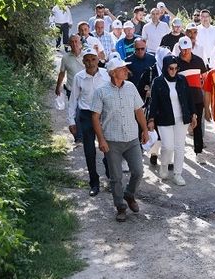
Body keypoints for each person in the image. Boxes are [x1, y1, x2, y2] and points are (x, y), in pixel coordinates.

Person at [91, 58, 149, 222]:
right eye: (122, 69)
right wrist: (101, 140)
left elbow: (139, 110)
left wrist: (144, 130)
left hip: (132, 139)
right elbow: (95, 117)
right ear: (113, 72)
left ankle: (129, 195)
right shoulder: (101, 91)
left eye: (125, 68)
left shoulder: (131, 87)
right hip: (112, 141)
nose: (126, 71)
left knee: (138, 171)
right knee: (116, 177)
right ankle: (120, 207)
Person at [148, 55, 198, 186]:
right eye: (170, 68)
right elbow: (153, 102)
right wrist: (151, 119)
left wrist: (193, 114)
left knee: (180, 146)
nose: (173, 71)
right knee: (167, 146)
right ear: (165, 67)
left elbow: (189, 98)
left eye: (176, 68)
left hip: (182, 119)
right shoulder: (158, 82)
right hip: (164, 119)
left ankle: (178, 174)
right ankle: (164, 166)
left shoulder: (182, 80)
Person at [68, 47, 110, 197]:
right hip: (86, 115)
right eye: (87, 60)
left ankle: (110, 176)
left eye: (93, 59)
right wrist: (71, 120)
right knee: (89, 150)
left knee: (107, 147)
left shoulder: (106, 74)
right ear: (83, 61)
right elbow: (73, 99)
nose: (90, 63)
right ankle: (94, 182)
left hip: (103, 115)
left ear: (98, 59)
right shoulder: (79, 77)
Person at [176, 36, 209, 164]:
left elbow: (205, 78)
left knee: (197, 127)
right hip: (182, 100)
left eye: (187, 49)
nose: (185, 52)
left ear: (191, 48)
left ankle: (199, 152)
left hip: (197, 98)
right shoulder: (176, 62)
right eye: (183, 49)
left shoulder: (199, 61)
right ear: (179, 48)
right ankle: (179, 152)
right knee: (181, 125)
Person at [55, 34, 84, 143]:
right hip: (71, 89)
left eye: (76, 41)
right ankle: (79, 138)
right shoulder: (66, 57)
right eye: (72, 42)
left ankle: (83, 135)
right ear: (69, 44)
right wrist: (58, 87)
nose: (74, 44)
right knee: (76, 113)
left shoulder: (86, 56)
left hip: (85, 90)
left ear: (80, 43)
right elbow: (62, 73)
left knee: (83, 113)